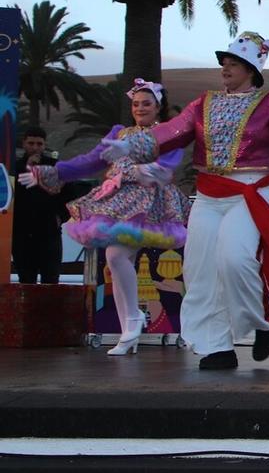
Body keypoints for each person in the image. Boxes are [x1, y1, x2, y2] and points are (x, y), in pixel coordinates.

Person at [101, 33, 269, 370]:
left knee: (234, 259)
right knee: (199, 269)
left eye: (233, 64)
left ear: (251, 69)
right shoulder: (203, 103)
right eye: (224, 63)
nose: (225, 69)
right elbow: (172, 131)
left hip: (252, 189)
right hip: (209, 192)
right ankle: (217, 346)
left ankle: (263, 321)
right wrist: (130, 146)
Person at [19, 79, 189, 355]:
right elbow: (90, 161)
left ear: (159, 107)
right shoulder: (120, 133)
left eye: (147, 104)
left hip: (148, 201)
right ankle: (128, 330)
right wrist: (52, 172)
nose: (141, 108)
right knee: (116, 259)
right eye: (136, 104)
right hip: (117, 200)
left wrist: (132, 172)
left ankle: (132, 322)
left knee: (116, 256)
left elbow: (165, 168)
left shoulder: (167, 133)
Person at [12, 127, 68, 284]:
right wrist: (26, 168)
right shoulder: (14, 167)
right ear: (24, 143)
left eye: (39, 144)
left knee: (51, 279)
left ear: (44, 145)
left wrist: (61, 216)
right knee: (26, 279)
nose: (35, 148)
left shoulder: (55, 166)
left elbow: (70, 193)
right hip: (22, 234)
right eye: (31, 143)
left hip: (49, 233)